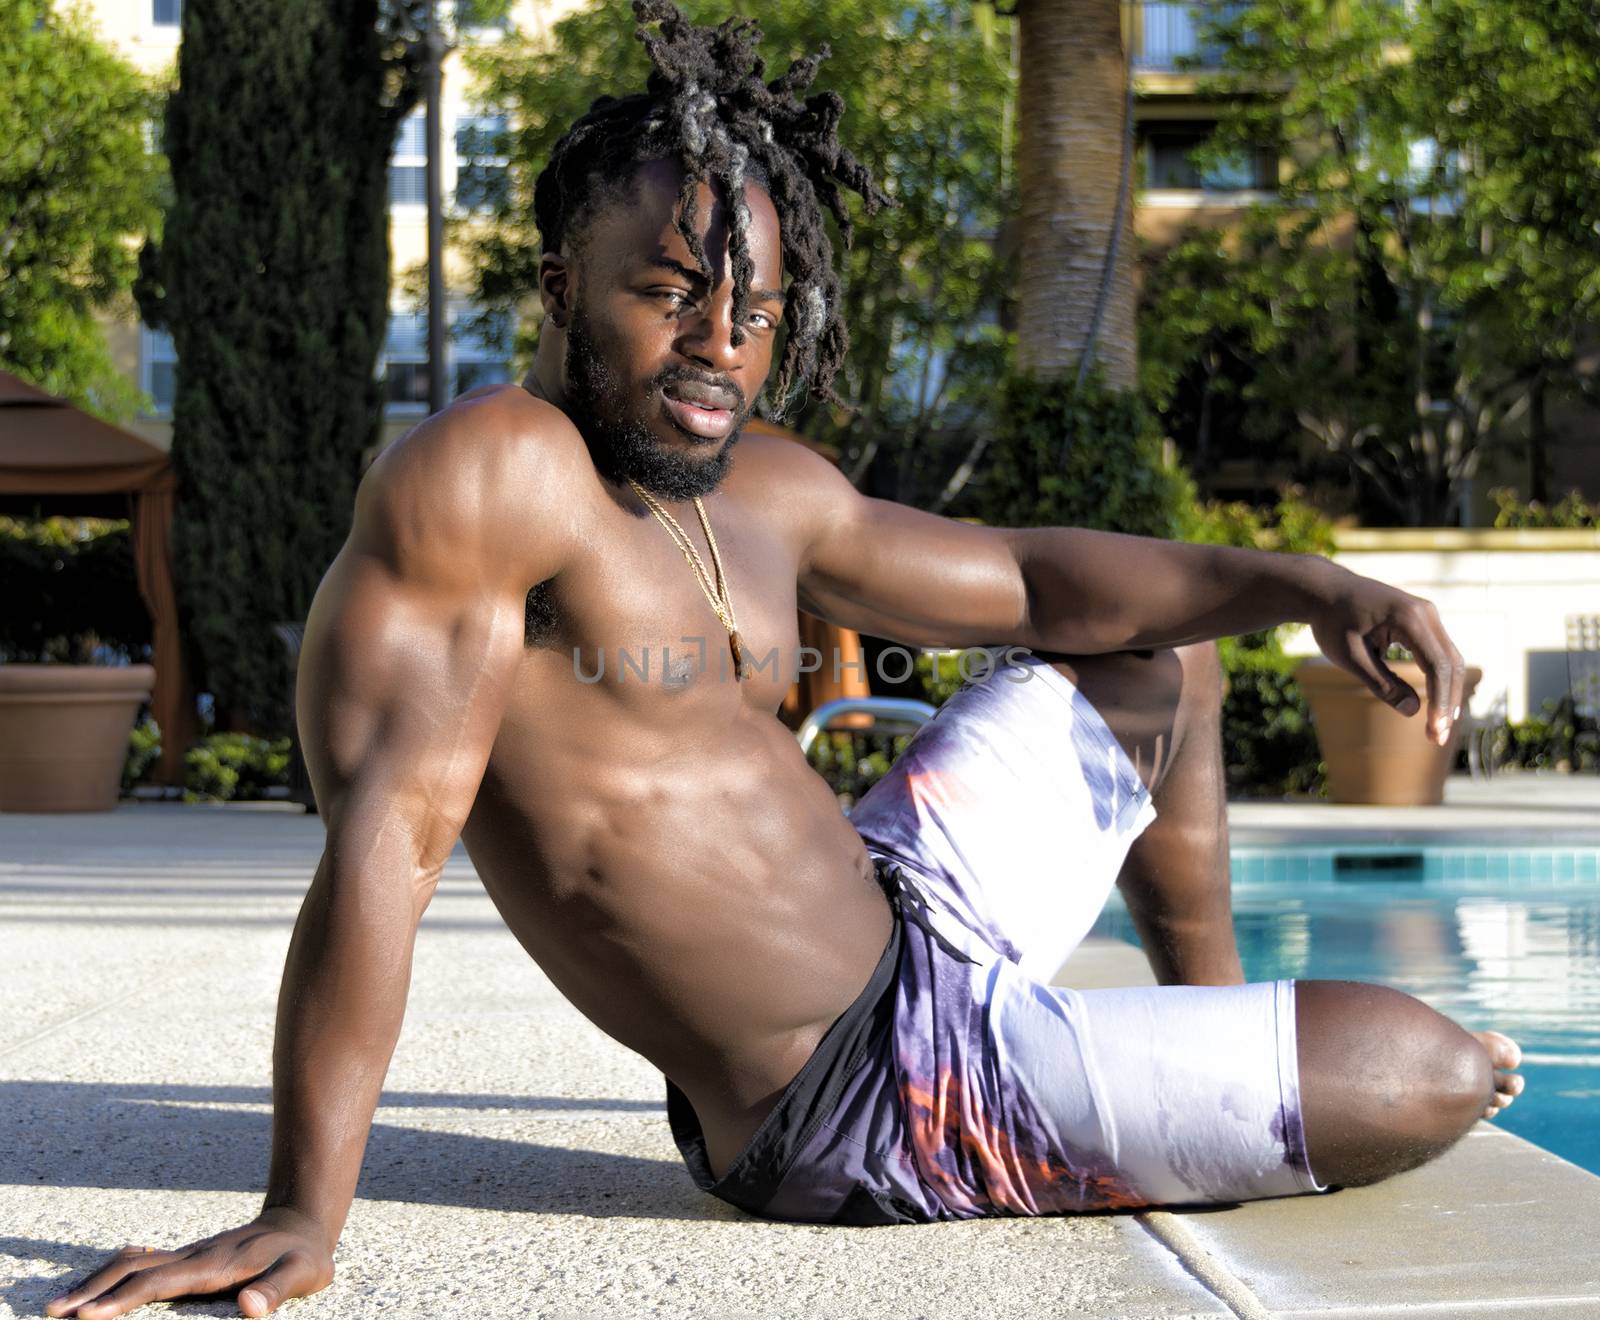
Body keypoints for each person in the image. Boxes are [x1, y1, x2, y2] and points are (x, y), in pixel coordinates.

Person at [47, 4, 1523, 1316]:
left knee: (1159, 658)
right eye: (671, 293)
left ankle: (1204, 1013)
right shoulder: (496, 480)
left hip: (908, 909)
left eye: (753, 314)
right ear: (560, 282)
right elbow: (388, 845)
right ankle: (1162, 1076)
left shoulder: (761, 488)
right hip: (858, 1093)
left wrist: (1315, 584)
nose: (718, 350)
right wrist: (305, 1210)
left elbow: (1028, 577)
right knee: (1430, 1072)